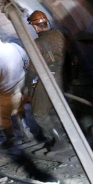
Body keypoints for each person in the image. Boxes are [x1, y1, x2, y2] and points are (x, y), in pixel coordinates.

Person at [26, 10, 70, 153]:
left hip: (48, 78)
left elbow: (33, 69)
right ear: (46, 23)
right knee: (53, 110)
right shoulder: (59, 35)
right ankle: (64, 136)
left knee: (39, 113)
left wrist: (27, 85)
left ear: (35, 26)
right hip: (62, 76)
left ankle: (59, 141)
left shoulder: (37, 43)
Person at [0, 30, 30, 149]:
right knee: (19, 110)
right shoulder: (15, 46)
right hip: (23, 88)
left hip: (7, 93)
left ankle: (11, 138)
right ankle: (27, 133)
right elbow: (27, 62)